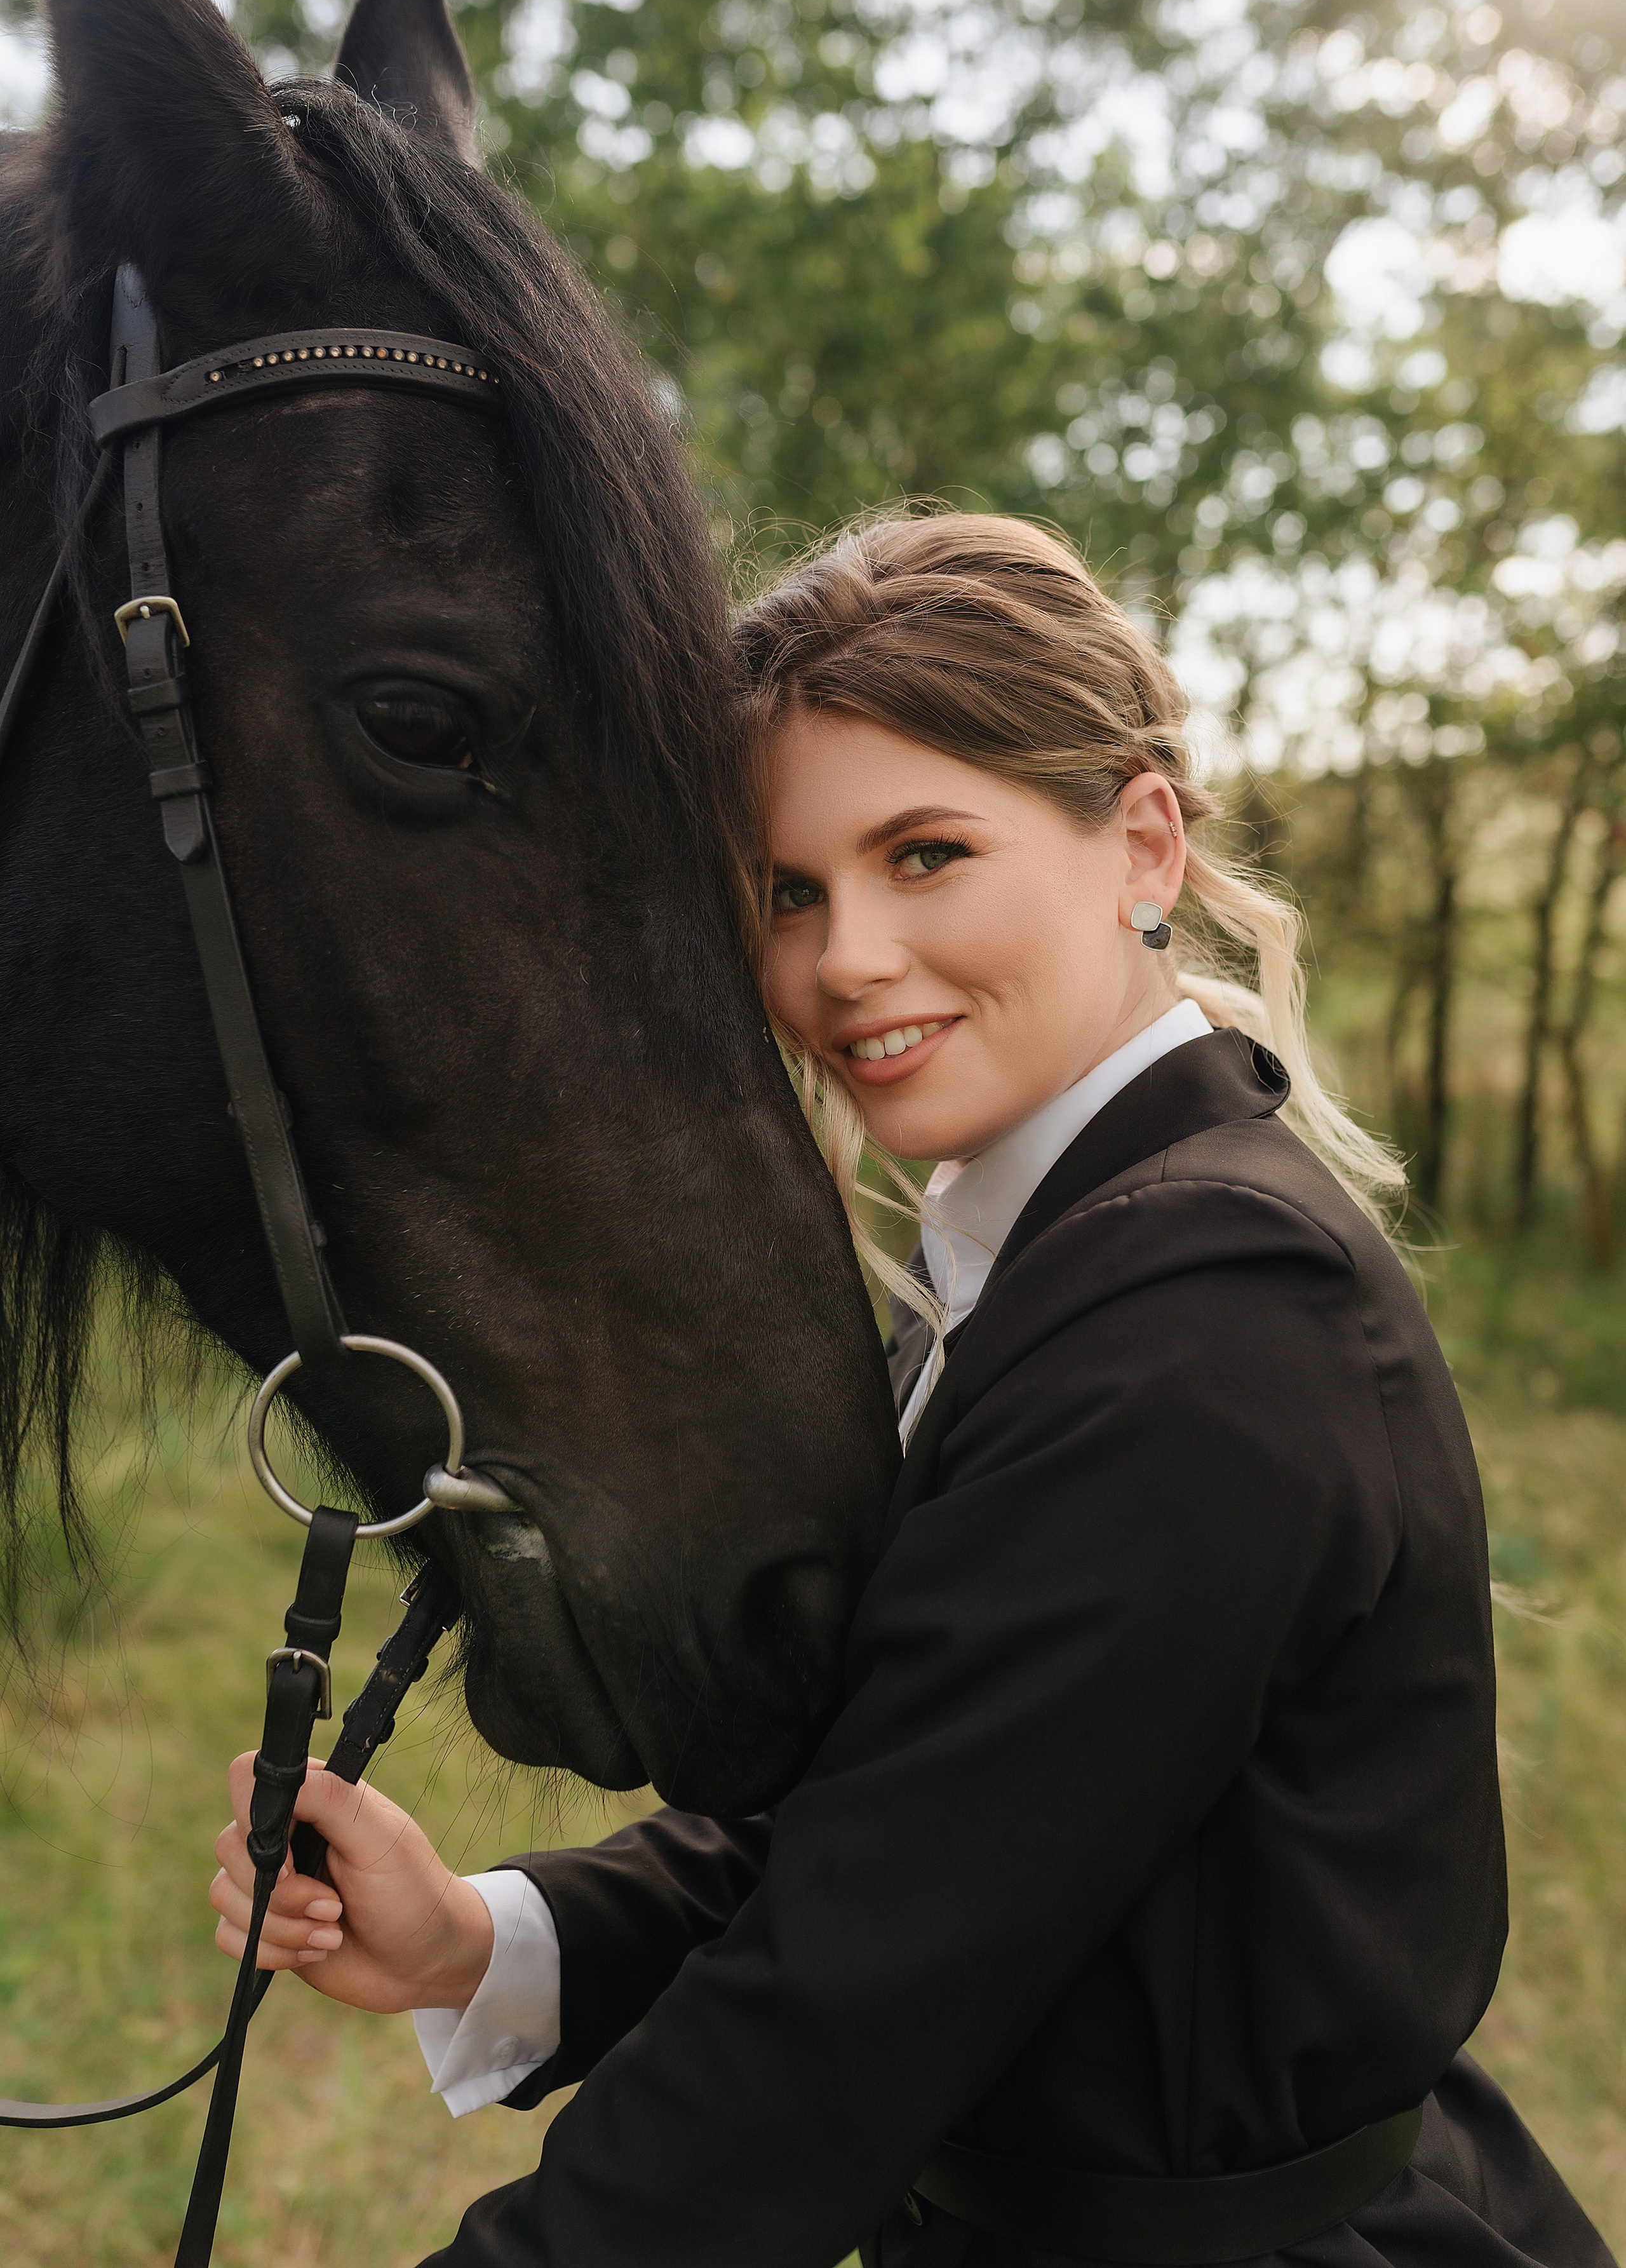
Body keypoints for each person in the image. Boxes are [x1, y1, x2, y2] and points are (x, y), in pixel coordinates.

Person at [209, 511, 1614, 2268]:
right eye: (792, 891)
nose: (846, 960)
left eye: (927, 852)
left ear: (1146, 844)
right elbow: (909, 1819)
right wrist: (492, 1940)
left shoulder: (1201, 1317)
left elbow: (849, 2011)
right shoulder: (1056, 1246)